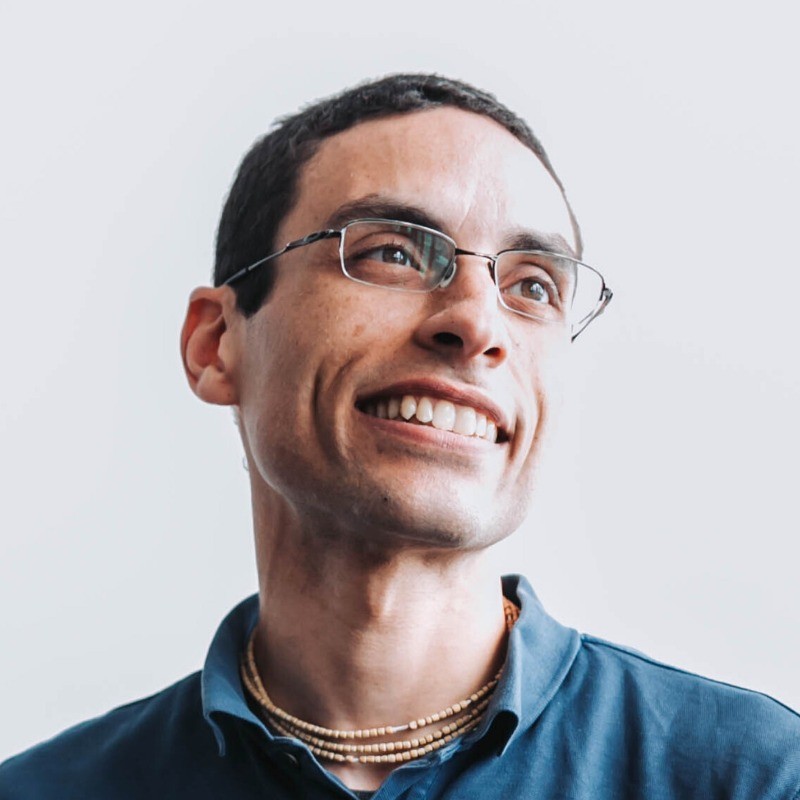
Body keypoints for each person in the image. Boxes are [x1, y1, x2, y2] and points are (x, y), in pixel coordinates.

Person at [1, 73, 798, 800]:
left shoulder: (755, 777)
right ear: (216, 344)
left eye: (532, 286)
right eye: (391, 253)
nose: (478, 323)